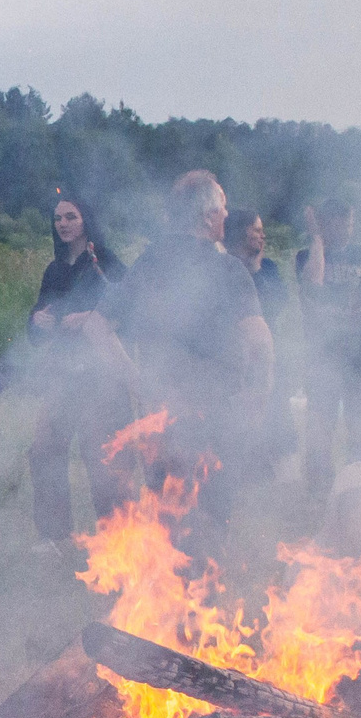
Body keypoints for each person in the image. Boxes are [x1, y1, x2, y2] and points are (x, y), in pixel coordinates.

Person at [104, 171, 274, 525]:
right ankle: (205, 578)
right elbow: (260, 340)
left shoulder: (148, 263)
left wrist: (137, 382)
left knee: (165, 519)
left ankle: (167, 579)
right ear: (208, 215)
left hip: (160, 414)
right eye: (223, 209)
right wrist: (259, 395)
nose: (228, 216)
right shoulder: (226, 268)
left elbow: (96, 326)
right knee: (211, 519)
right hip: (215, 413)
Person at [26, 192, 133, 543]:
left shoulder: (106, 262)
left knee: (102, 461)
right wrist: (36, 321)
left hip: (101, 379)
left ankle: (116, 546)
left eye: (71, 216)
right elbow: (37, 323)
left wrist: (93, 319)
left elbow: (132, 311)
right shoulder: (54, 270)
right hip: (63, 378)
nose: (63, 224)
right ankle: (54, 538)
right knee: (43, 451)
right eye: (58, 218)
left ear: (86, 219)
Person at [295, 199, 361, 494]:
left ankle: (358, 487)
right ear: (325, 224)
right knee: (321, 421)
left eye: (350, 221)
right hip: (323, 353)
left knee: (360, 422)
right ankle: (319, 488)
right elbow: (313, 287)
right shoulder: (306, 257)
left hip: (360, 352)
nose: (347, 227)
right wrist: (316, 238)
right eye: (339, 221)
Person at [225, 207, 298, 476]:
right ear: (240, 233)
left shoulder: (268, 268)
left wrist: (255, 267)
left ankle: (280, 472)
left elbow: (275, 305)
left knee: (275, 412)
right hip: (234, 360)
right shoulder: (223, 268)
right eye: (256, 230)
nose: (262, 235)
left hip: (266, 357)